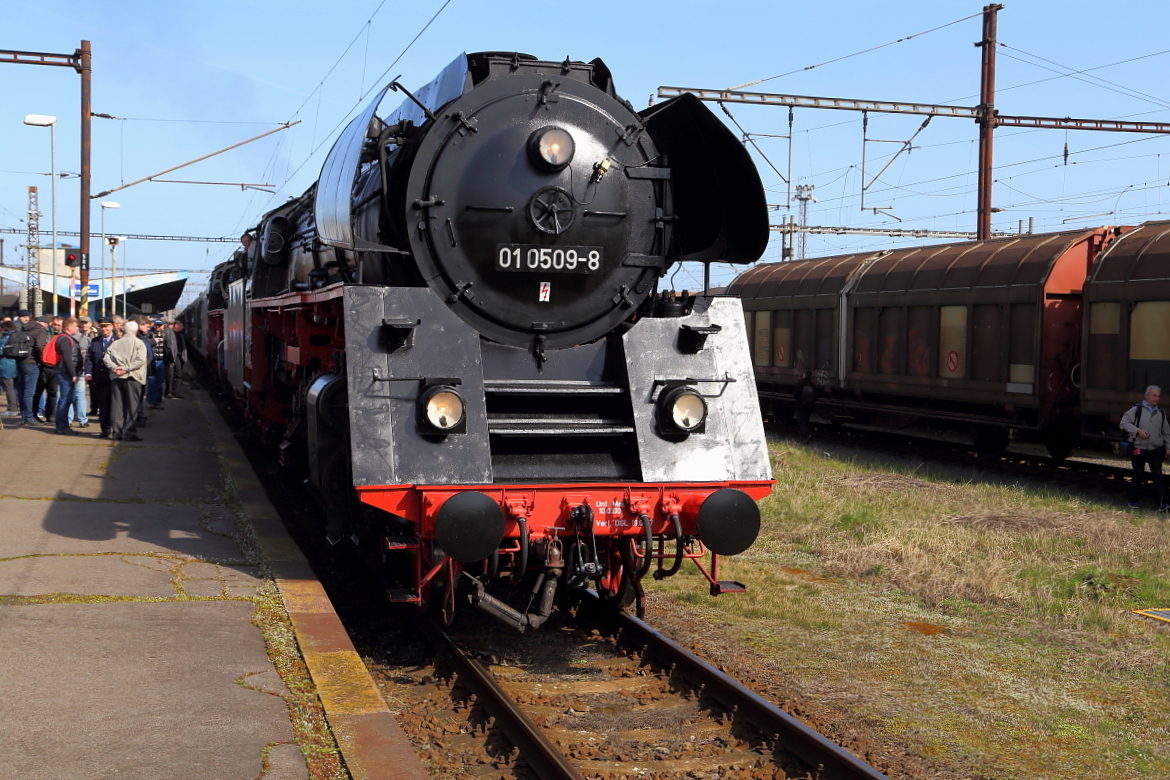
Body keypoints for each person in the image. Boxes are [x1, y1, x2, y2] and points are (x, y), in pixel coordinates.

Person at [1120, 385, 1170, 510]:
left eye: (1158, 396)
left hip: (1155, 449)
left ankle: (1163, 503)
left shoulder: (1161, 412)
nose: (1157, 398)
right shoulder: (1136, 410)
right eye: (1154, 395)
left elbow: (1166, 432)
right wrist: (1137, 431)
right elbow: (1124, 423)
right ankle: (1133, 501)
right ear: (1146, 396)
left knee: (1157, 476)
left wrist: (1168, 447)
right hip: (1139, 448)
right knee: (1138, 475)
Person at [103, 319, 146, 441]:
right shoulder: (139, 343)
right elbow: (140, 360)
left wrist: (115, 368)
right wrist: (126, 369)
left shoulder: (115, 343)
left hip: (117, 378)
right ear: (135, 330)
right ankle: (130, 433)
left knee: (117, 405)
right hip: (133, 377)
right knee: (132, 406)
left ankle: (116, 432)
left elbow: (106, 358)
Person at [51, 318, 83, 435]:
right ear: (68, 327)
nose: (77, 328)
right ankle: (61, 426)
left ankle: (62, 425)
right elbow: (67, 358)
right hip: (64, 373)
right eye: (75, 326)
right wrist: (73, 374)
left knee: (66, 399)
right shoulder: (65, 339)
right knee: (65, 400)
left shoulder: (63, 338)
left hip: (63, 372)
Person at [85, 317, 116, 438]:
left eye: (106, 326)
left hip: (114, 379)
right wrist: (88, 372)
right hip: (100, 379)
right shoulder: (95, 341)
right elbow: (88, 358)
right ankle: (105, 429)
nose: (104, 329)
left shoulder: (117, 341)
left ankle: (117, 428)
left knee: (115, 405)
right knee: (103, 406)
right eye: (102, 327)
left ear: (111, 326)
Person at [15, 314, 49, 425]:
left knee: (21, 391)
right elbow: (40, 347)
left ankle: (24, 416)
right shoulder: (40, 330)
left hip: (19, 361)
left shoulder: (23, 327)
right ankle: (29, 418)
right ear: (43, 323)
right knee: (29, 392)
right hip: (31, 362)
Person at [69, 316, 93, 427]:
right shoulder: (86, 339)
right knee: (79, 395)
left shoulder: (63, 337)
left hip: (67, 369)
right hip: (80, 370)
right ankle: (82, 420)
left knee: (67, 395)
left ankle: (68, 420)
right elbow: (89, 356)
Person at [793, 370, 818, 444]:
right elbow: (816, 396)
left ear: (804, 375)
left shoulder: (800, 384)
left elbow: (795, 395)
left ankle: (806, 435)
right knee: (806, 421)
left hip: (801, 406)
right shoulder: (812, 385)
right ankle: (803, 438)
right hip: (810, 406)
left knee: (801, 421)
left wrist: (800, 400)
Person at [164, 321, 186, 399]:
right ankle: (168, 392)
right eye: (181, 325)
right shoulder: (169, 333)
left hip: (178, 357)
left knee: (178, 375)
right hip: (171, 356)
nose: (182, 327)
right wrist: (169, 359)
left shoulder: (180, 335)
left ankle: (175, 392)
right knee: (170, 375)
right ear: (176, 325)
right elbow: (167, 346)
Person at [0, 321, 18, 416]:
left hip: (5, 366)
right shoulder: (16, 336)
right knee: (15, 388)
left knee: (8, 388)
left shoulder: (4, 338)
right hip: (15, 365)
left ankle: (12, 409)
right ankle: (16, 407)